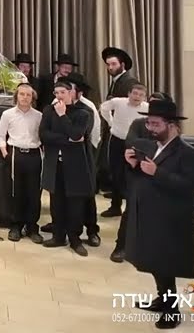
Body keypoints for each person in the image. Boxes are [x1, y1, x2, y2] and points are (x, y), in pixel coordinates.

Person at [122, 99, 194, 330]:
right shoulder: (150, 147)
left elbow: (191, 187)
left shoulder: (189, 154)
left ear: (172, 125)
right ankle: (162, 299)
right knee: (153, 262)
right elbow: (142, 179)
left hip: (171, 219)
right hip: (150, 215)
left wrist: (158, 172)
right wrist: (132, 165)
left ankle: (172, 311)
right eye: (149, 123)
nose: (150, 128)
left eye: (155, 124)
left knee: (165, 265)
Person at [111, 89, 167, 263]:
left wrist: (147, 150)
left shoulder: (169, 128)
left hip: (159, 174)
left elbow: (169, 149)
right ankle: (121, 246)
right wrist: (150, 149)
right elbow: (132, 143)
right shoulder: (138, 123)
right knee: (131, 211)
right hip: (137, 172)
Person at [40, 81, 95, 256]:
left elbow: (76, 134)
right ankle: (58, 236)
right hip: (55, 163)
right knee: (56, 202)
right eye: (56, 93)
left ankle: (75, 239)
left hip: (75, 165)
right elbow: (43, 135)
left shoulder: (83, 113)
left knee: (75, 204)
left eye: (62, 92)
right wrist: (67, 140)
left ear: (71, 93)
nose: (59, 96)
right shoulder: (48, 110)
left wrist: (63, 115)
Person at [0, 84, 44, 243]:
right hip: (15, 153)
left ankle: (32, 227)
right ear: (16, 96)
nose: (25, 97)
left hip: (34, 154)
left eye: (28, 95)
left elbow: (43, 136)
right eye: (22, 94)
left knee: (34, 192)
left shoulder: (38, 116)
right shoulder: (7, 114)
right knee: (16, 191)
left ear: (32, 98)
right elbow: (0, 135)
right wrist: (5, 153)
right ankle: (16, 225)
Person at [62, 72, 103, 246]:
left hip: (85, 154)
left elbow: (86, 134)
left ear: (78, 92)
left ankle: (92, 230)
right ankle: (64, 226)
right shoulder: (58, 105)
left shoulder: (87, 108)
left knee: (86, 195)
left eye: (70, 89)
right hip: (64, 156)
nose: (65, 92)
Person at [100, 83, 149, 218]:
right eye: (135, 93)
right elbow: (103, 108)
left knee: (133, 175)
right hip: (117, 140)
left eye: (141, 95)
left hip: (136, 143)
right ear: (129, 94)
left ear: (144, 97)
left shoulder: (147, 108)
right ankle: (115, 206)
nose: (137, 97)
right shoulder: (118, 102)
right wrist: (110, 122)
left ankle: (132, 208)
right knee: (116, 173)